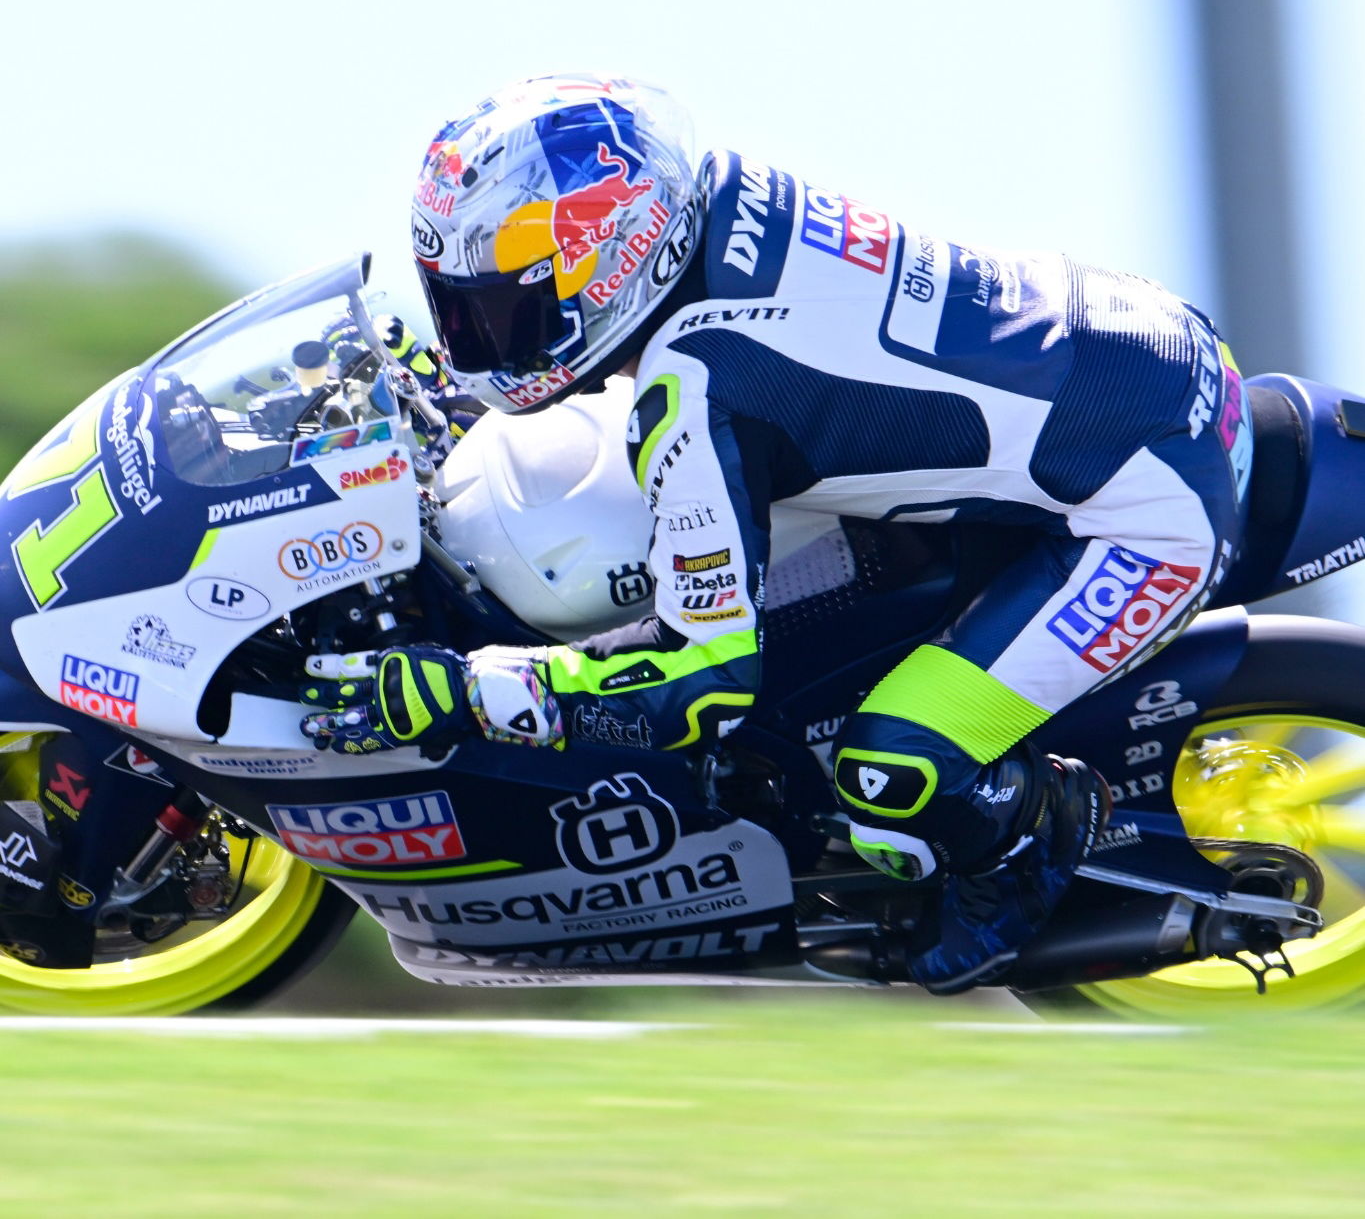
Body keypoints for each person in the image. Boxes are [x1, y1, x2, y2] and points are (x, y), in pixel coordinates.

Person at [300, 73, 1251, 993]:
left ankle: (1028, 841)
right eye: (457, 308)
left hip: (1146, 506)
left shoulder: (700, 379)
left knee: (892, 773)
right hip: (1129, 336)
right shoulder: (718, 196)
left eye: (504, 310)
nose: (478, 340)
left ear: (613, 262)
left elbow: (706, 683)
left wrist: (478, 689)